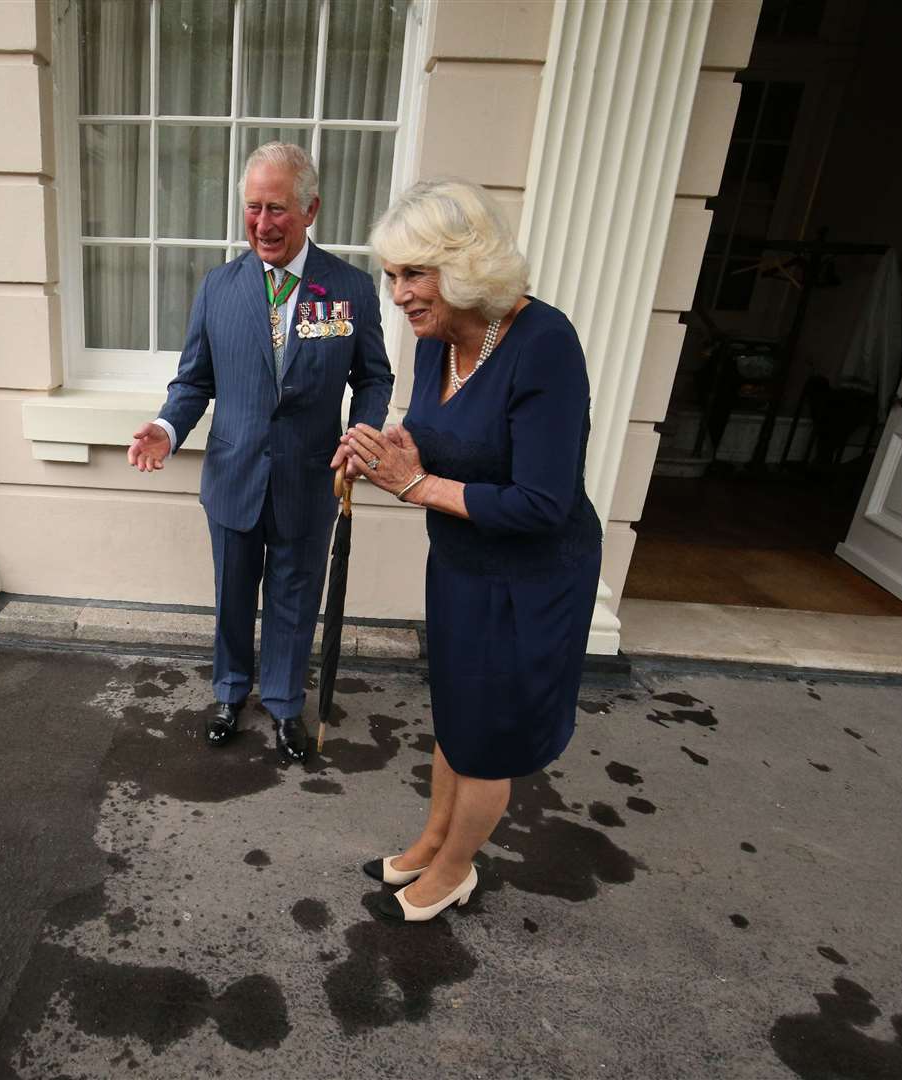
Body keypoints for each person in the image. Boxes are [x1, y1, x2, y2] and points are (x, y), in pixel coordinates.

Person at [340, 178, 602, 922]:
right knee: (457, 715)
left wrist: (415, 484)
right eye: (392, 276)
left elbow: (543, 503)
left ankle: (455, 870)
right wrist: (384, 448)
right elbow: (443, 439)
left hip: (531, 578)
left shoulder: (544, 344)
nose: (398, 294)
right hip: (460, 564)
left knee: (487, 735)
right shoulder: (438, 340)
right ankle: (428, 843)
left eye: (412, 274)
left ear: (465, 266)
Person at [127, 142, 394, 763]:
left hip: (309, 476)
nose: (263, 224)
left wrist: (364, 432)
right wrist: (168, 430)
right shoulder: (219, 287)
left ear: (311, 210)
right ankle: (229, 691)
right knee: (233, 594)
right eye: (253, 208)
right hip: (234, 473)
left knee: (295, 599)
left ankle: (282, 704)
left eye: (277, 209)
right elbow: (195, 380)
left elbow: (374, 377)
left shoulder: (348, 289)